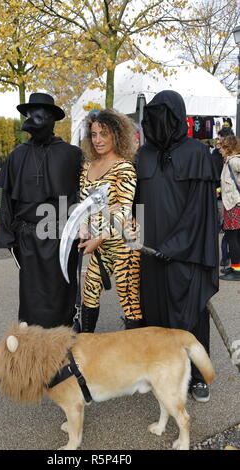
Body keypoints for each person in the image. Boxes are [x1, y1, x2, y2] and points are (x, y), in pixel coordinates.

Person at [136, 90, 219, 403]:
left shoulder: (197, 152)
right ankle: (161, 374)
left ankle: (197, 376)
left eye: (165, 115)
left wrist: (175, 246)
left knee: (190, 316)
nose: (158, 122)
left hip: (187, 253)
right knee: (155, 316)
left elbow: (199, 210)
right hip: (150, 254)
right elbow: (134, 203)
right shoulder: (142, 155)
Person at [0, 92, 82, 328]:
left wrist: (82, 230)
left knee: (62, 291)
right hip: (28, 238)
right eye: (32, 113)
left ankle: (63, 349)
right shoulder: (17, 156)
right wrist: (8, 238)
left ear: (53, 118)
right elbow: (6, 202)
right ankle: (34, 349)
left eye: (42, 113)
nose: (37, 118)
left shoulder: (71, 154)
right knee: (32, 296)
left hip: (61, 236)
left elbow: (81, 196)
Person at [78, 109, 142, 332]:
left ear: (116, 135)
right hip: (99, 243)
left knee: (128, 297)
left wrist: (98, 238)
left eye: (103, 134)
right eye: (94, 134)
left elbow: (123, 211)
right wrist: (84, 228)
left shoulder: (124, 167)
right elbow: (83, 205)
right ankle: (84, 344)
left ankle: (135, 352)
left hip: (125, 242)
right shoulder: (88, 166)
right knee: (89, 290)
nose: (98, 140)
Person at [218, 135, 240, 281]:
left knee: (233, 238)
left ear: (228, 148)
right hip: (232, 204)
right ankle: (235, 267)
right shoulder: (229, 162)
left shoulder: (234, 162)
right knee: (234, 238)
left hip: (234, 205)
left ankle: (237, 271)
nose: (219, 149)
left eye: (222, 146)